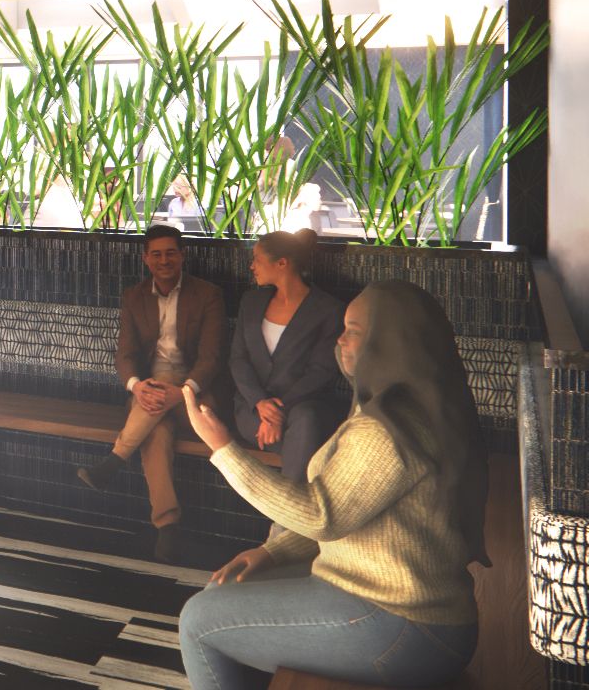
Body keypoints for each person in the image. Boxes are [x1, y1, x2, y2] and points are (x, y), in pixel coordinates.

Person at [177, 281, 487, 690]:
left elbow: (323, 516)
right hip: (409, 611)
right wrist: (272, 552)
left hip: (403, 626)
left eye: (353, 330)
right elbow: (353, 511)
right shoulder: (416, 404)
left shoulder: (386, 430)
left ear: (389, 339)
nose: (339, 340)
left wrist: (222, 447)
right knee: (221, 592)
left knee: (198, 621)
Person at [76, 225, 227, 563]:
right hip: (151, 392)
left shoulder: (207, 295)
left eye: (171, 252)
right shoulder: (135, 296)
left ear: (182, 255)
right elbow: (125, 355)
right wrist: (136, 385)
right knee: (155, 430)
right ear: (146, 259)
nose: (164, 260)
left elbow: (211, 357)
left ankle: (113, 461)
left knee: (159, 403)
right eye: (156, 254)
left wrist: (184, 392)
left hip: (195, 393)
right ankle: (168, 526)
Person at [230, 229, 347, 481]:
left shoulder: (327, 309)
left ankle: (286, 514)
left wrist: (278, 412)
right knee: (305, 442)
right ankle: (293, 513)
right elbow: (238, 360)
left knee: (306, 421)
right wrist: (261, 404)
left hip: (302, 406)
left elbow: (321, 371)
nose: (252, 266)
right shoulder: (250, 302)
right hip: (252, 410)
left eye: (257, 259)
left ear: (282, 263)